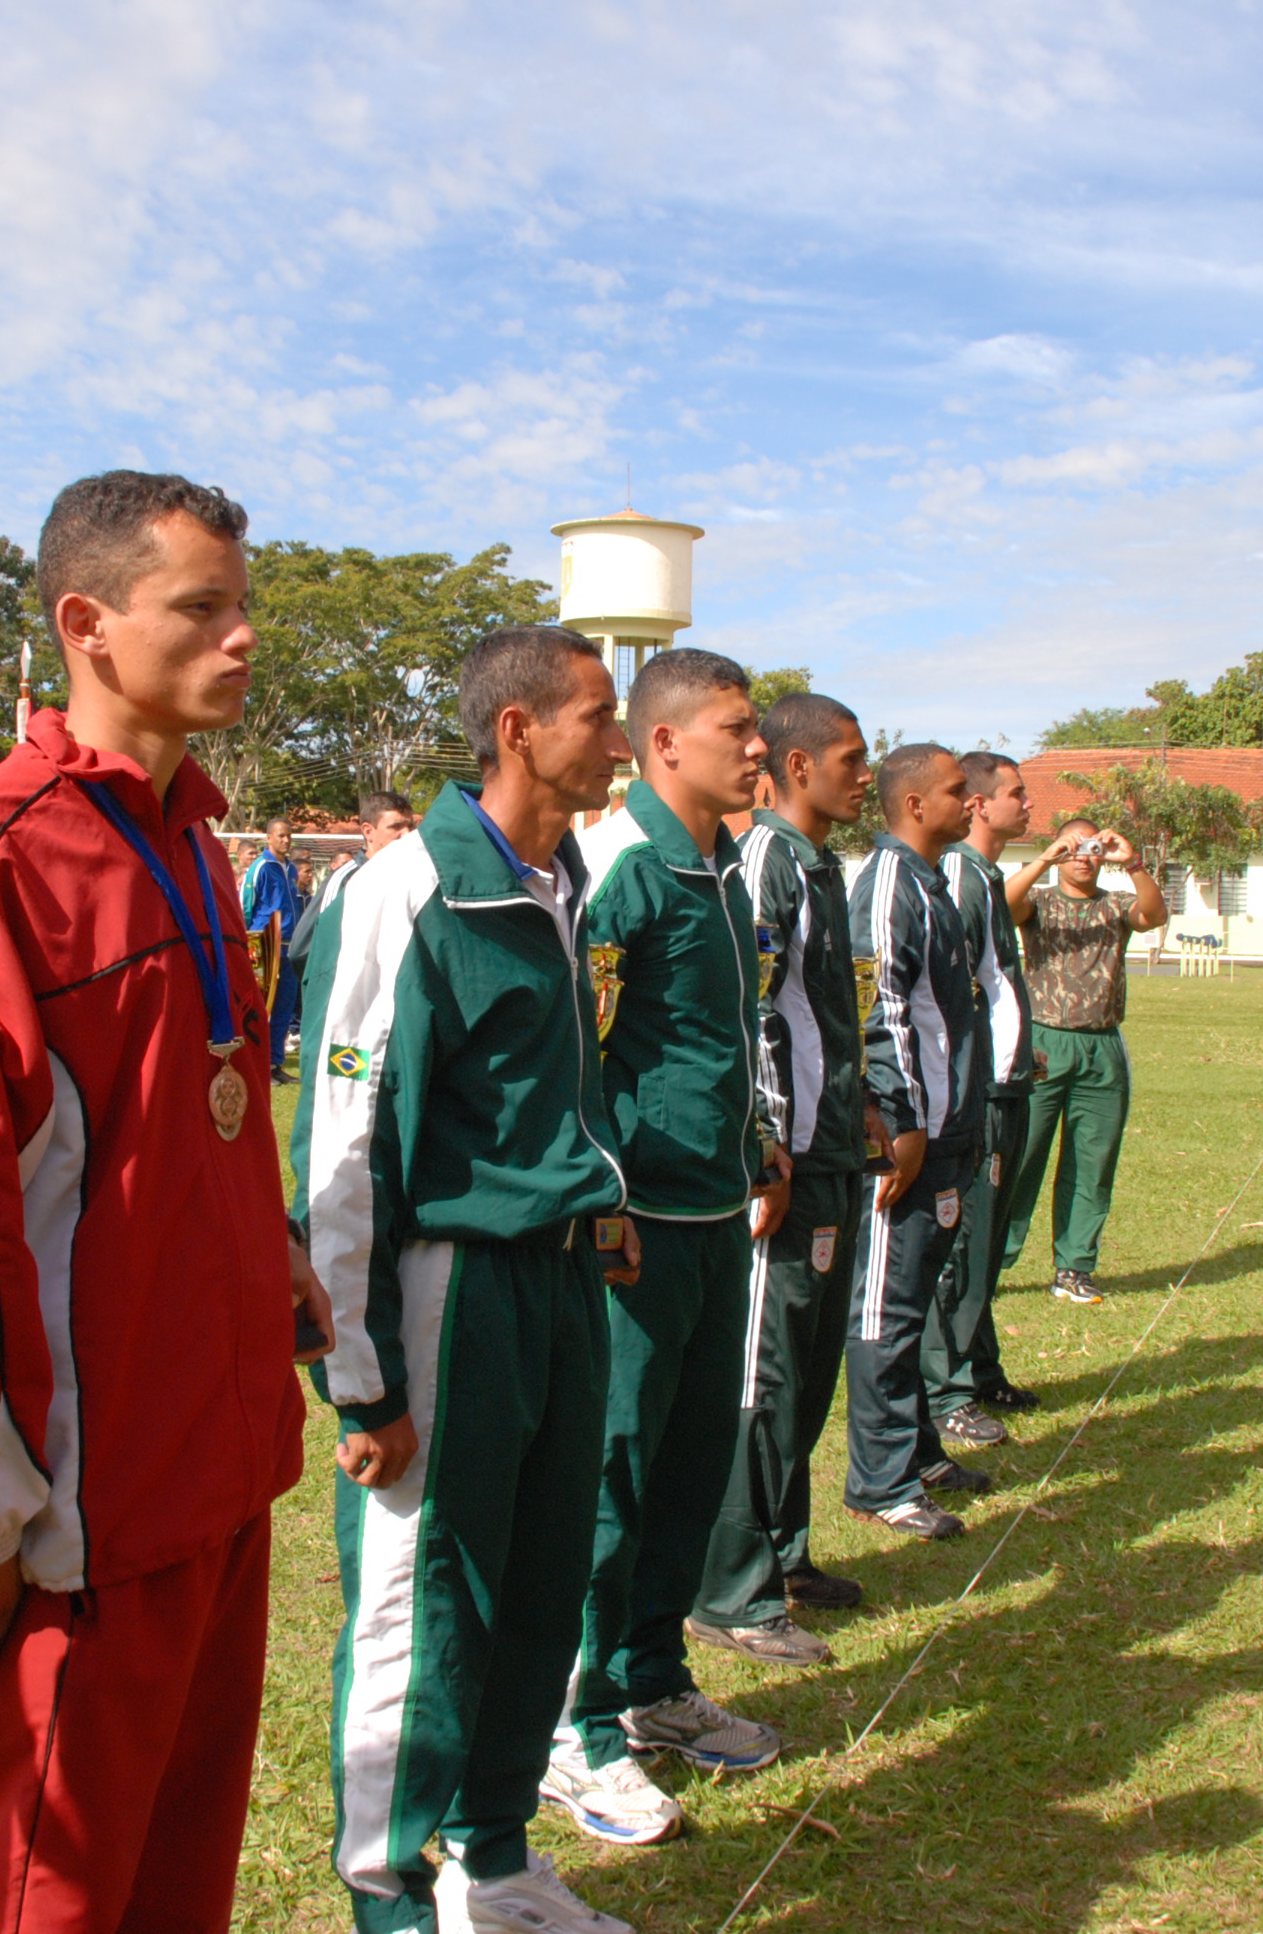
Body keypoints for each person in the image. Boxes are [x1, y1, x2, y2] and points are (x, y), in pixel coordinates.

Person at [0, 473, 330, 1932]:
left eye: (246, 607)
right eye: (202, 608)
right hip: (82, 1512)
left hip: (220, 1464)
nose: (243, 638)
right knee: (50, 1896)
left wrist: (274, 1251)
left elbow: (193, 1118)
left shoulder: (190, 836)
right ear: (87, 624)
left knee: (179, 1879)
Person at [294, 625, 639, 1933]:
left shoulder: (561, 883)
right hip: (455, 1291)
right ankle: (390, 1892)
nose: (614, 743)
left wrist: (597, 1194)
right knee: (423, 1601)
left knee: (544, 1580)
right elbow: (345, 1148)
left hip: (561, 1290)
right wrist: (362, 1380)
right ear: (517, 729)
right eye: (597, 717)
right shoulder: (402, 891)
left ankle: (496, 1867)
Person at [547, 649, 789, 1850]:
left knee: (691, 1463)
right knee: (613, 1469)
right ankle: (568, 1723)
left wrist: (757, 1138)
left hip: (714, 1217)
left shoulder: (724, 872)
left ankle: (649, 1686)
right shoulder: (620, 871)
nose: (758, 749)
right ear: (662, 746)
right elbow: (580, 1056)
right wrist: (603, 1200)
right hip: (634, 1229)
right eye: (738, 731)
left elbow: (719, 1037)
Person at [691, 692, 881, 1664]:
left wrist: (872, 1108)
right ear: (798, 768)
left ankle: (785, 1550)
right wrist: (765, 1146)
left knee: (808, 1371)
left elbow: (835, 1013)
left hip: (836, 1155)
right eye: (850, 759)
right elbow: (747, 1012)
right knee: (761, 1376)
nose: (865, 775)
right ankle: (728, 1586)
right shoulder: (764, 860)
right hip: (788, 1165)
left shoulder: (823, 865)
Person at [845, 744, 996, 1541]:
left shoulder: (936, 882)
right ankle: (881, 1481)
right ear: (912, 805)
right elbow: (879, 1014)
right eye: (954, 791)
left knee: (920, 1298)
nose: (970, 801)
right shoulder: (887, 887)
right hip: (911, 1140)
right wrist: (900, 1124)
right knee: (886, 1309)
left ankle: (919, 1452)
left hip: (951, 1132)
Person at [921, 751, 1043, 1445]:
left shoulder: (987, 877)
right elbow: (957, 989)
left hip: (1010, 1078)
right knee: (967, 1242)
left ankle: (980, 1363)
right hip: (984, 1091)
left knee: (990, 1238)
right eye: (1016, 795)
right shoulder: (962, 877)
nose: (1027, 805)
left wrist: (1025, 1045)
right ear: (977, 803)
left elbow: (999, 982)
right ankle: (946, 1388)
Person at [1000, 819, 1167, 1304]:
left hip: (1102, 1047)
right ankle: (994, 1257)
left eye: (1092, 848)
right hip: (1044, 1044)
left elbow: (1153, 915)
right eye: (1073, 848)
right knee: (1021, 1156)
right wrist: (1044, 860)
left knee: (1092, 1162)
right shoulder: (1043, 901)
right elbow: (1005, 907)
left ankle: (1074, 1267)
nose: (1083, 857)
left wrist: (1132, 862)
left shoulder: (1114, 906)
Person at [291, 790, 417, 990]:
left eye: (411, 826)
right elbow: (302, 951)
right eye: (396, 827)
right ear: (368, 831)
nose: (407, 835)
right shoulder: (347, 879)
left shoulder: (413, 877)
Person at [243, 815, 305, 1074]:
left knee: (284, 1006)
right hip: (266, 944)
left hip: (290, 945)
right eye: (281, 835)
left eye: (289, 835)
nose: (286, 840)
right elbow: (247, 905)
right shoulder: (260, 867)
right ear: (268, 838)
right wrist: (249, 940)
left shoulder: (291, 869)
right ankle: (255, 1063)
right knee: (262, 1005)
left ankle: (275, 1063)